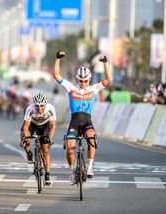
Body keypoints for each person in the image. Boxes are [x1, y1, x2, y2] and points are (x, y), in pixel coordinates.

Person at [53, 50, 112, 184]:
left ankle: (90, 168)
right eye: (81, 80)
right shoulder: (71, 88)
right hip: (74, 123)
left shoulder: (93, 89)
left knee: (91, 139)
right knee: (70, 148)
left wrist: (105, 63)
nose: (83, 83)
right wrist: (58, 59)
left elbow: (109, 80)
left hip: (87, 122)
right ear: (78, 79)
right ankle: (72, 172)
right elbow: (56, 75)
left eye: (85, 81)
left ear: (89, 80)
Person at [20, 92, 56, 186]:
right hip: (32, 124)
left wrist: (50, 138)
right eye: (37, 106)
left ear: (46, 104)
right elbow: (26, 126)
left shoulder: (50, 109)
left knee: (46, 150)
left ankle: (47, 175)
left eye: (42, 106)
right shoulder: (30, 109)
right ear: (34, 105)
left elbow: (53, 126)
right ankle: (29, 153)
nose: (39, 108)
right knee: (23, 135)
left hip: (45, 126)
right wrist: (25, 138)